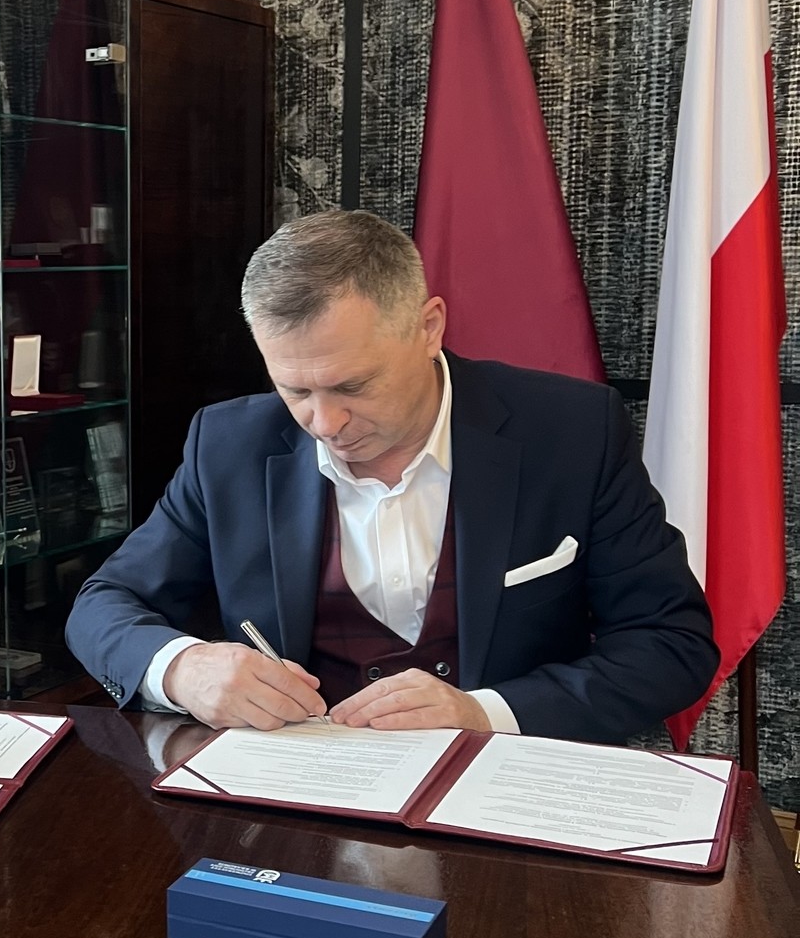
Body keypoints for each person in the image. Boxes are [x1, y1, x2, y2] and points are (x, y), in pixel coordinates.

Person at [66, 210, 716, 743]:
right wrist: (182, 668)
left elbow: (671, 643)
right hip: (296, 800)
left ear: (428, 328)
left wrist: (484, 712)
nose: (324, 422)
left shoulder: (573, 432)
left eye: (353, 385)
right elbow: (103, 604)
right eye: (295, 390)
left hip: (502, 798)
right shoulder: (228, 445)